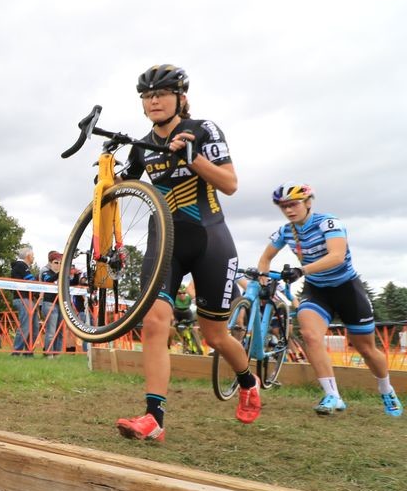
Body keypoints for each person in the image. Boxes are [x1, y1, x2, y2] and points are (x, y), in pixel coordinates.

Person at [115, 65, 260, 442]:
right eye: (147, 96)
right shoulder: (143, 145)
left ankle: (248, 380)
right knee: (154, 322)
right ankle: (154, 418)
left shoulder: (202, 130)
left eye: (162, 93)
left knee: (215, 335)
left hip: (210, 239)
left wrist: (192, 157)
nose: (154, 101)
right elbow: (124, 183)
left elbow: (230, 184)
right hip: (165, 242)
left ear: (180, 97)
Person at [256, 183, 402, 417]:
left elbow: (337, 255)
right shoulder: (285, 231)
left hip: (347, 289)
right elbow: (264, 260)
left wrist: (302, 270)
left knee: (366, 348)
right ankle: (332, 395)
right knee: (310, 335)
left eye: (293, 204)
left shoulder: (327, 222)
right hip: (317, 290)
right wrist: (263, 283)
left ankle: (386, 389)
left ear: (308, 203)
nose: (289, 210)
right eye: (284, 207)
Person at [10, 245, 39, 357]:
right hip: (23, 298)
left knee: (34, 327)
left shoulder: (20, 266)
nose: (34, 258)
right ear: (28, 256)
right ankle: (16, 352)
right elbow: (30, 280)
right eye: (32, 255)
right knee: (26, 326)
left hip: (28, 299)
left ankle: (28, 351)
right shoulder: (21, 265)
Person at [39, 251, 64, 357]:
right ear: (50, 263)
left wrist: (75, 275)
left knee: (60, 331)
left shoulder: (62, 275)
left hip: (61, 304)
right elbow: (48, 280)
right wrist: (60, 274)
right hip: (49, 303)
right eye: (55, 262)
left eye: (60, 263)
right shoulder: (46, 272)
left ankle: (57, 354)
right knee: (51, 331)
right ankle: (49, 354)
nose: (58, 265)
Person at [167, 283, 198, 350]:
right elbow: (170, 308)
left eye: (184, 293)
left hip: (187, 313)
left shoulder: (189, 297)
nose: (182, 295)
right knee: (171, 325)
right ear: (177, 294)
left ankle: (197, 347)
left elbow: (196, 301)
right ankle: (169, 343)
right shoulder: (174, 298)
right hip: (177, 313)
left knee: (194, 328)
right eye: (179, 293)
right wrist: (172, 317)